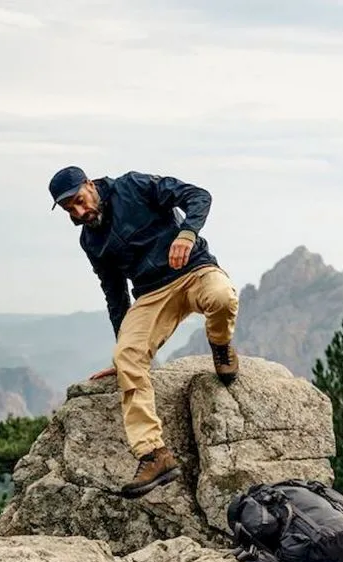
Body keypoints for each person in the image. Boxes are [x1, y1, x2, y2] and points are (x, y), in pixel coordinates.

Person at [49, 166, 240, 499]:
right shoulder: (91, 239)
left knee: (222, 296)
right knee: (127, 356)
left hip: (194, 269)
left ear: (90, 185)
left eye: (79, 201)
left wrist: (187, 233)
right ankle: (154, 454)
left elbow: (198, 196)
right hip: (152, 295)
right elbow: (114, 293)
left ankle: (221, 346)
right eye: (70, 210)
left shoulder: (133, 186)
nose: (79, 212)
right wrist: (125, 350)